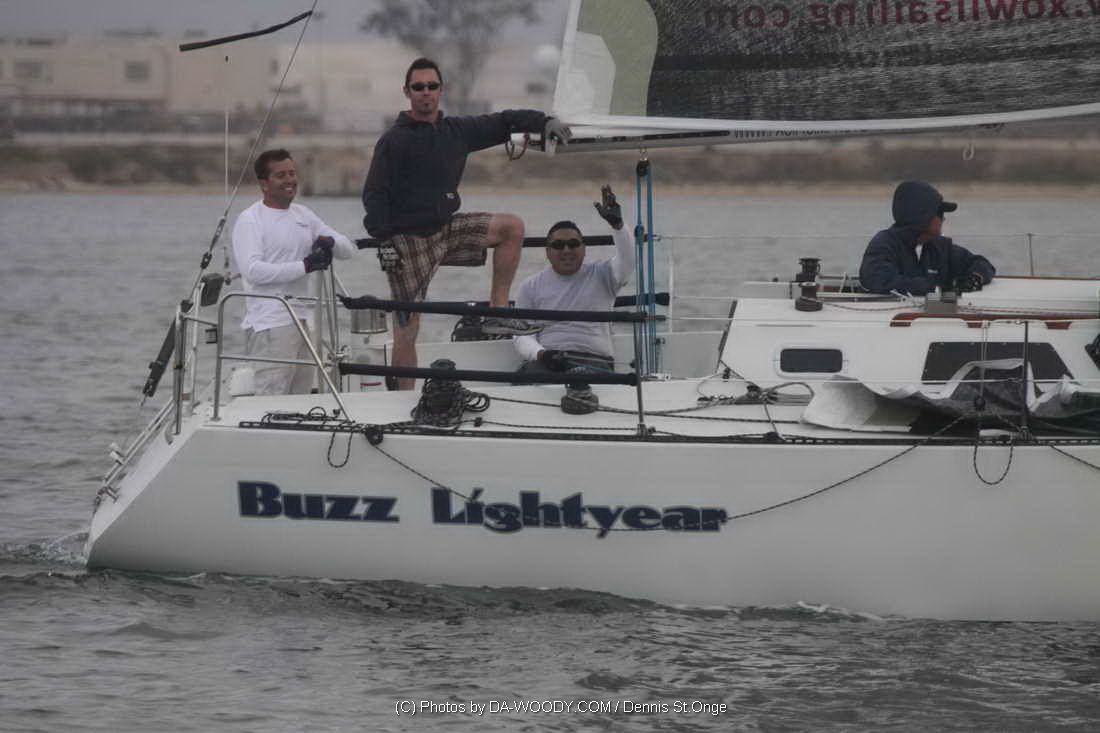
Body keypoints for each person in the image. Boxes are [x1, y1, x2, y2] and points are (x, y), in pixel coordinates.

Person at [362, 57, 572, 389]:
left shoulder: (457, 131)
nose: (426, 92)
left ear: (441, 90)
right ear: (407, 92)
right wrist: (384, 242)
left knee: (512, 227)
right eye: (419, 87)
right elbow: (374, 194)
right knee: (407, 331)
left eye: (432, 86)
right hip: (407, 242)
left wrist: (544, 121)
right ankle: (401, 401)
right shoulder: (394, 140)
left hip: (446, 229)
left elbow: (504, 121)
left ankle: (497, 314)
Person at [232, 148, 356, 395]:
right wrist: (306, 265)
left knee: (300, 398)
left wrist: (330, 243)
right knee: (271, 396)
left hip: (302, 319)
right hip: (270, 322)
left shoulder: (303, 215)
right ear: (264, 183)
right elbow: (253, 271)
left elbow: (347, 250)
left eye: (292, 173)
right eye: (281, 175)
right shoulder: (250, 220)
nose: (289, 180)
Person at [513, 186, 635, 414]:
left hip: (594, 362)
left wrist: (618, 226)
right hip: (548, 361)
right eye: (558, 245)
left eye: (573, 244)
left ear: (584, 249)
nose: (566, 250)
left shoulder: (604, 274)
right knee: (521, 388)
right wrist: (542, 354)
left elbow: (628, 261)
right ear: (547, 251)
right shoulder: (530, 286)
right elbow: (521, 336)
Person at [860, 180, 995, 295]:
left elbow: (981, 263)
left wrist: (975, 278)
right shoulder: (884, 244)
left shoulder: (940, 247)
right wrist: (936, 288)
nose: (943, 219)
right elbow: (877, 280)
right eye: (940, 214)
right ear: (922, 216)